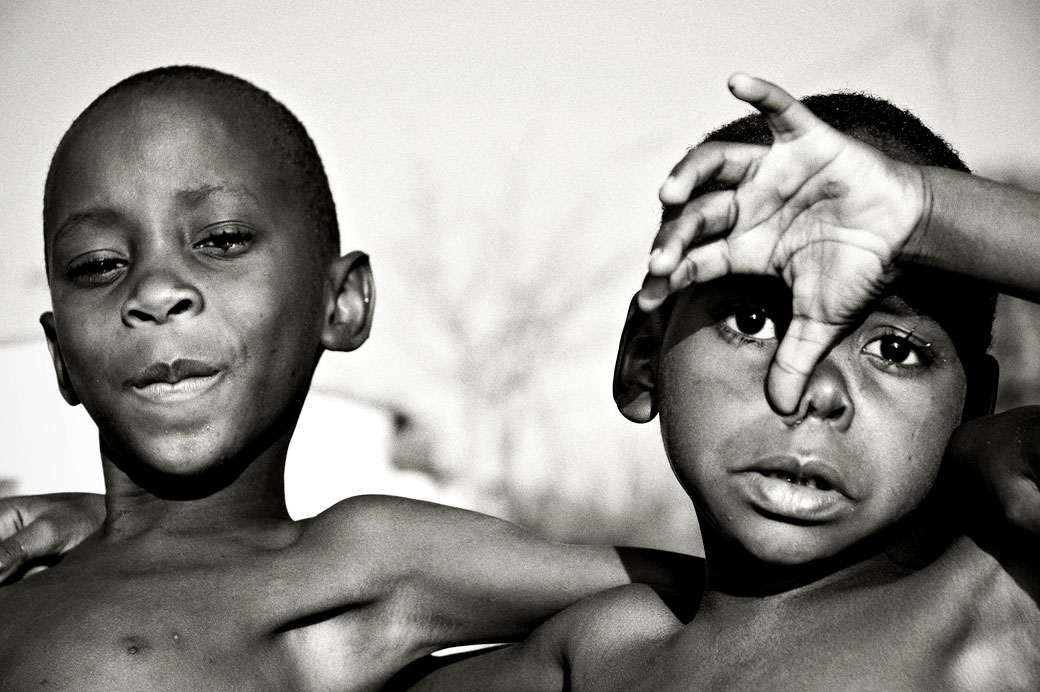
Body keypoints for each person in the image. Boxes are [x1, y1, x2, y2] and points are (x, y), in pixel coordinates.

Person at [0, 65, 701, 692]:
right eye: (97, 265)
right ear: (61, 353)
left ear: (340, 303)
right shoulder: (26, 571)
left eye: (220, 241)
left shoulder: (348, 566)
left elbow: (720, 598)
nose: (155, 291)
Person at [395, 74, 1040, 691]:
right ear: (644, 357)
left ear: (974, 404)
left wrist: (923, 211)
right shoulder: (603, 652)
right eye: (754, 320)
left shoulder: (995, 612)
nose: (814, 388)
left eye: (894, 351)